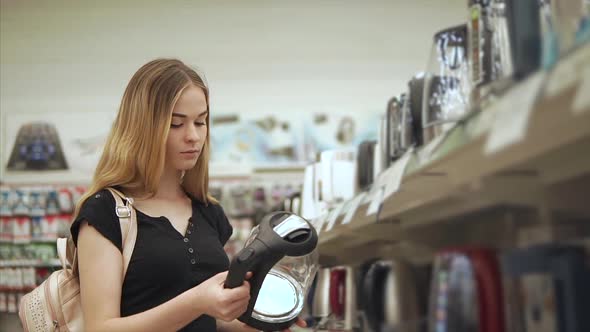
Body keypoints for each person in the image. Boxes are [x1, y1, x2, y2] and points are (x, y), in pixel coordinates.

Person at [70, 59, 307, 332]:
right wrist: (197, 302)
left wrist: (259, 325)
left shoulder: (209, 212)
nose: (194, 136)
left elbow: (206, 321)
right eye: (176, 124)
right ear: (142, 127)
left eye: (201, 122)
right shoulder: (105, 213)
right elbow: (100, 328)